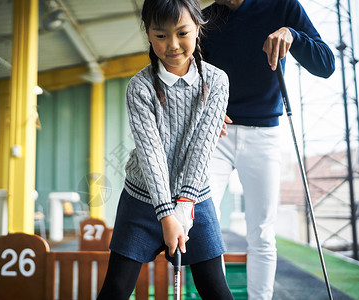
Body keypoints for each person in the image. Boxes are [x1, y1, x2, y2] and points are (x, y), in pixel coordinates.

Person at [97, 0, 234, 299]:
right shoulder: (140, 87)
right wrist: (166, 215)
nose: (172, 45)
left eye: (182, 32)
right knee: (117, 289)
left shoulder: (217, 82)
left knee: (216, 289)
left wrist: (185, 206)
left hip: (195, 196)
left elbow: (201, 147)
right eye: (161, 35)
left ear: (198, 28)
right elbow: (151, 155)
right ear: (148, 34)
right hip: (142, 199)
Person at [200, 0, 335, 299]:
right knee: (205, 228)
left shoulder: (283, 6)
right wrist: (204, 105)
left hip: (264, 134)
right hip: (215, 133)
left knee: (261, 232)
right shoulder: (204, 18)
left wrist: (294, 36)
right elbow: (193, 75)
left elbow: (326, 65)